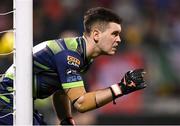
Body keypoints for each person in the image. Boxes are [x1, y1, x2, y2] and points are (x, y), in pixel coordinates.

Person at [0, 7, 146, 125]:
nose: (119, 39)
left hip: (18, 105)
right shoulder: (70, 56)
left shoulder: (83, 57)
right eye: (114, 34)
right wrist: (121, 87)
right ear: (96, 35)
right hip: (6, 104)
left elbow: (61, 92)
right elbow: (81, 103)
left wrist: (66, 121)